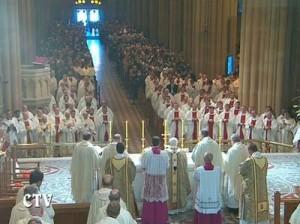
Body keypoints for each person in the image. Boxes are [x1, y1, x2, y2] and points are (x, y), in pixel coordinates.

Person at [105, 143, 138, 218]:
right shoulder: (128, 161)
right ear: (124, 150)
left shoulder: (109, 161)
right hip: (125, 189)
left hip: (113, 189)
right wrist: (129, 181)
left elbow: (107, 176)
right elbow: (132, 175)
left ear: (116, 149)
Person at [141, 136, 169, 224]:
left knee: (150, 200)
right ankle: (161, 219)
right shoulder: (165, 154)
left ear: (151, 143)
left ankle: (149, 219)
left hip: (150, 181)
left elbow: (143, 166)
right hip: (161, 181)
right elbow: (167, 166)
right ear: (159, 143)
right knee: (160, 200)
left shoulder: (146, 153)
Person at [239, 143, 269, 224]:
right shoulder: (265, 159)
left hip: (251, 191)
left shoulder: (250, 161)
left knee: (250, 210)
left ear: (249, 150)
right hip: (262, 190)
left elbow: (241, 171)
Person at [71, 132, 100, 203]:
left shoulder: (77, 146)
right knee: (87, 185)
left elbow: (73, 159)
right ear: (90, 138)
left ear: (82, 137)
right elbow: (97, 161)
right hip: (88, 172)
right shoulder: (91, 148)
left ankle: (78, 198)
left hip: (78, 171)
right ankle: (87, 199)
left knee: (79, 183)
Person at [194, 152, 222, 224]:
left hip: (203, 195)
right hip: (214, 195)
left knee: (202, 208)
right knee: (214, 207)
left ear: (204, 159)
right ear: (212, 159)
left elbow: (196, 179)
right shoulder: (218, 169)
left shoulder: (199, 170)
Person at [224, 134, 249, 210]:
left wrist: (226, 171)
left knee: (233, 187)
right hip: (244, 175)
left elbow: (226, 164)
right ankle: (243, 206)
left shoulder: (231, 150)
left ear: (232, 141)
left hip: (234, 174)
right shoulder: (245, 148)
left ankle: (233, 207)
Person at [166, 138, 191, 211]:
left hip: (169, 178)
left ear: (169, 143)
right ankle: (180, 207)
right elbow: (185, 166)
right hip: (180, 177)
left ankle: (170, 208)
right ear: (177, 143)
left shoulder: (165, 153)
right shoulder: (183, 153)